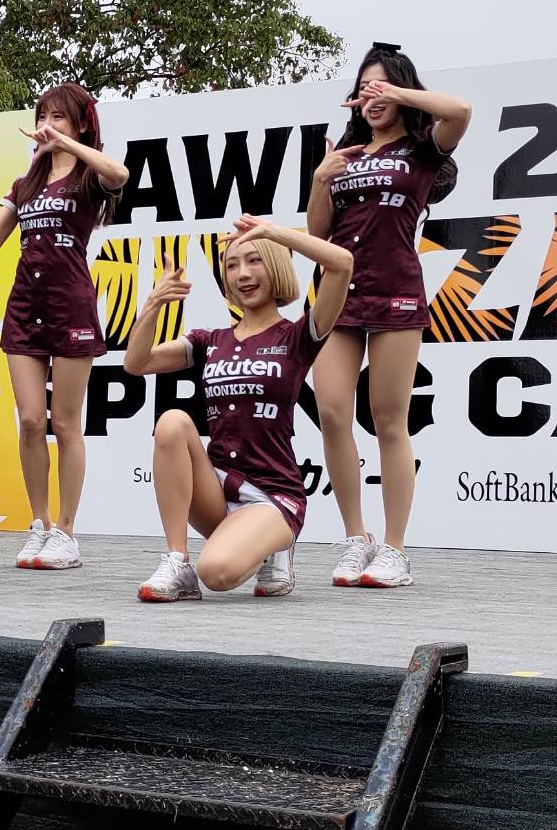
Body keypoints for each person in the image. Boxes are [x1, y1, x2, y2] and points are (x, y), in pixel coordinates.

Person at [306, 43, 471, 589]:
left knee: (389, 420)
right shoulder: (346, 152)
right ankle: (356, 537)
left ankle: (395, 549)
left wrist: (398, 91)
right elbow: (317, 233)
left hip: (396, 291)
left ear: (401, 90)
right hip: (338, 293)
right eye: (364, 90)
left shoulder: (423, 148)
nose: (371, 98)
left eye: (380, 88)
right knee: (332, 411)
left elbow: (461, 111)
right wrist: (322, 178)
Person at [124, 218, 353, 602]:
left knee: (216, 573)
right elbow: (137, 362)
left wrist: (274, 233)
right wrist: (154, 302)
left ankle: (274, 544)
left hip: (273, 496)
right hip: (218, 488)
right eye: (232, 265)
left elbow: (343, 263)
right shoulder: (210, 341)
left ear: (276, 265)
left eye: (254, 261)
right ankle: (177, 561)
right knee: (172, 422)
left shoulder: (297, 335)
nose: (242, 274)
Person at [0, 83, 128, 570]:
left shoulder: (90, 176)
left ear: (79, 125)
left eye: (58, 117)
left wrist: (68, 145)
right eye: (42, 116)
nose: (46, 125)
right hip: (23, 307)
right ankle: (39, 523)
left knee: (66, 422)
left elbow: (119, 174)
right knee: (32, 420)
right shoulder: (26, 183)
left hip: (71, 306)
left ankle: (67, 532)